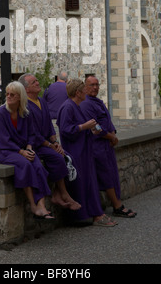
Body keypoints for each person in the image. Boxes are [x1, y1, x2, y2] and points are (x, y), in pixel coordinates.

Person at [57, 79, 117, 226]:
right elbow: (65, 130)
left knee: (90, 183)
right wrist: (84, 126)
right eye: (84, 90)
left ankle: (96, 214)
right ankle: (84, 216)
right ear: (78, 92)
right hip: (76, 152)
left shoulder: (76, 106)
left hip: (84, 150)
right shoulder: (68, 107)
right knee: (82, 184)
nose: (86, 93)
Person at [18, 73, 81, 212]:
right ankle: (64, 195)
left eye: (36, 80)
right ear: (26, 89)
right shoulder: (25, 106)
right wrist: (50, 146)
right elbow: (33, 132)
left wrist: (55, 141)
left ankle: (59, 193)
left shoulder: (41, 101)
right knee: (57, 157)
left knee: (68, 156)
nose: (37, 83)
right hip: (36, 145)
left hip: (47, 142)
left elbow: (49, 126)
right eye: (34, 82)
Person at [0, 81, 54, 220]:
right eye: (7, 94)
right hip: (5, 151)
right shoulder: (0, 114)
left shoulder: (25, 113)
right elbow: (3, 140)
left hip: (22, 150)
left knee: (37, 165)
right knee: (25, 164)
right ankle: (33, 205)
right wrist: (21, 152)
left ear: (20, 97)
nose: (8, 97)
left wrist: (29, 148)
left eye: (12, 94)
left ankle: (42, 206)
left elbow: (32, 134)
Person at [81, 75, 136, 218]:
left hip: (106, 144)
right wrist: (110, 136)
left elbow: (106, 119)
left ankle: (117, 203)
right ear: (85, 87)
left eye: (97, 85)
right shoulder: (86, 103)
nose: (95, 87)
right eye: (91, 85)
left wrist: (113, 133)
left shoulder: (97, 102)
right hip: (97, 146)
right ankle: (117, 206)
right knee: (106, 176)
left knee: (111, 174)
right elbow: (95, 126)